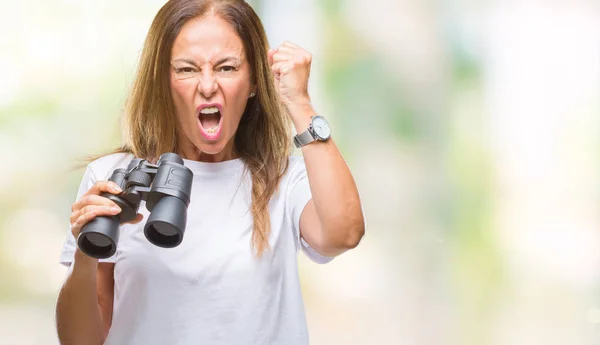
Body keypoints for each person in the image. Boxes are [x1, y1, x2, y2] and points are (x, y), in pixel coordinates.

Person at [55, 1, 365, 344]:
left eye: (227, 68)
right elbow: (80, 341)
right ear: (164, 82)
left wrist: (300, 103)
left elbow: (343, 234)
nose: (207, 86)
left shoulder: (283, 179)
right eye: (186, 69)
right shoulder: (114, 176)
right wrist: (85, 254)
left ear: (253, 81)